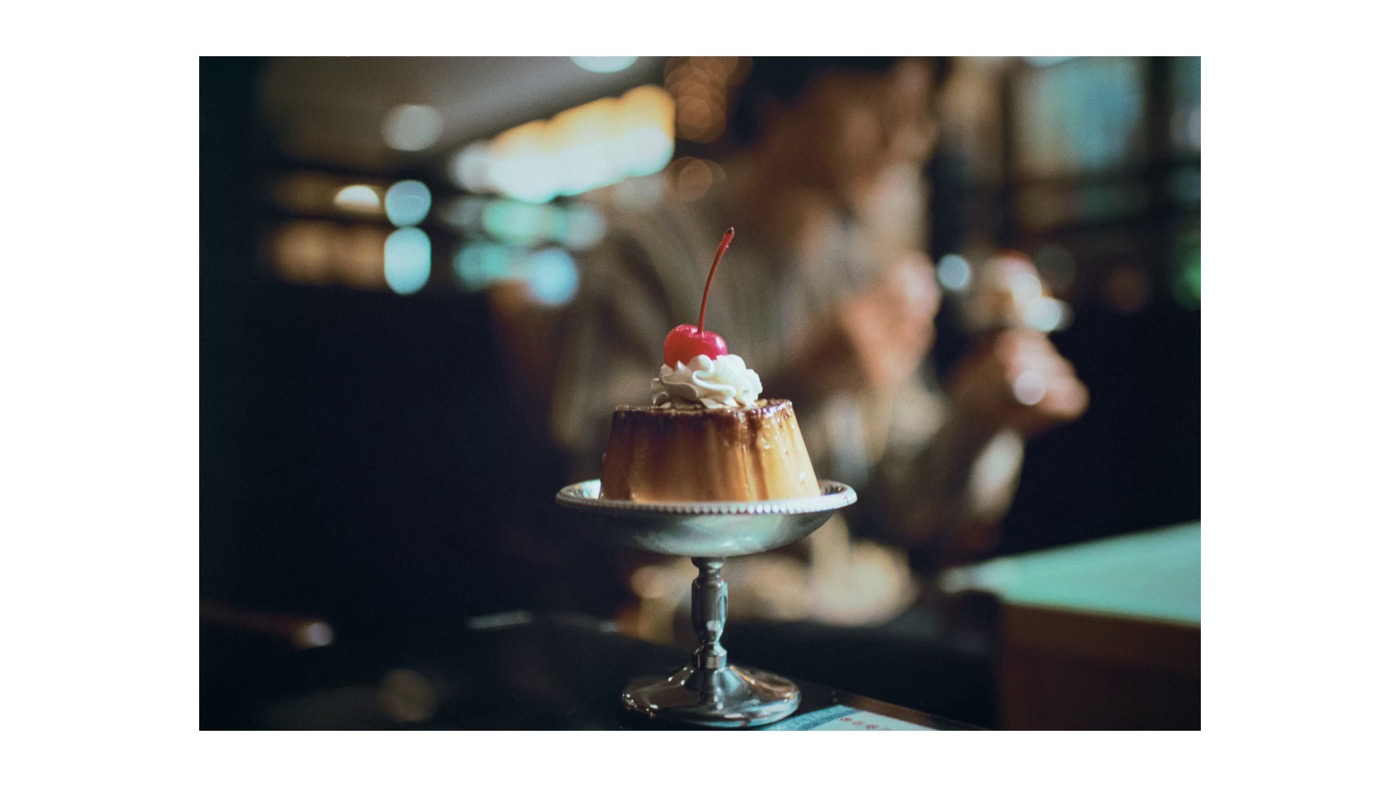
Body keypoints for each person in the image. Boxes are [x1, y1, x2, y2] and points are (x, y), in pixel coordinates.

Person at [548, 57, 1088, 643]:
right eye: (876, 107)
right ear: (781, 96)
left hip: (864, 605)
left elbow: (907, 504)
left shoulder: (867, 270)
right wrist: (802, 380)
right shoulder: (647, 253)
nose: (904, 140)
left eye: (917, 117)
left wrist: (978, 415)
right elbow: (599, 467)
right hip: (716, 616)